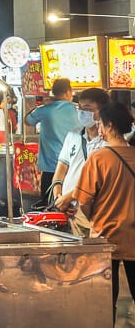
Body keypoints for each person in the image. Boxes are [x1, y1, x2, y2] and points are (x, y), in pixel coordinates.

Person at [71, 102, 135, 323]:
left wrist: (93, 218)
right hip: (133, 239)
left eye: (99, 123)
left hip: (105, 238)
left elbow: (84, 201)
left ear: (109, 125)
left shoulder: (98, 159)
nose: (98, 128)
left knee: (105, 301)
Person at [53, 88, 110, 211]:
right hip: (66, 207)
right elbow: (61, 168)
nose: (83, 113)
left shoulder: (109, 143)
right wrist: (58, 196)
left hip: (93, 210)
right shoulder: (73, 135)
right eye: (80, 108)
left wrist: (70, 197)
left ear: (102, 111)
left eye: (88, 109)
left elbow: (101, 181)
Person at [25, 77, 79, 200]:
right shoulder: (78, 110)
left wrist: (44, 105)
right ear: (68, 92)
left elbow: (27, 120)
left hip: (50, 167)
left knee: (48, 203)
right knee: (71, 204)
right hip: (73, 167)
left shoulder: (45, 110)